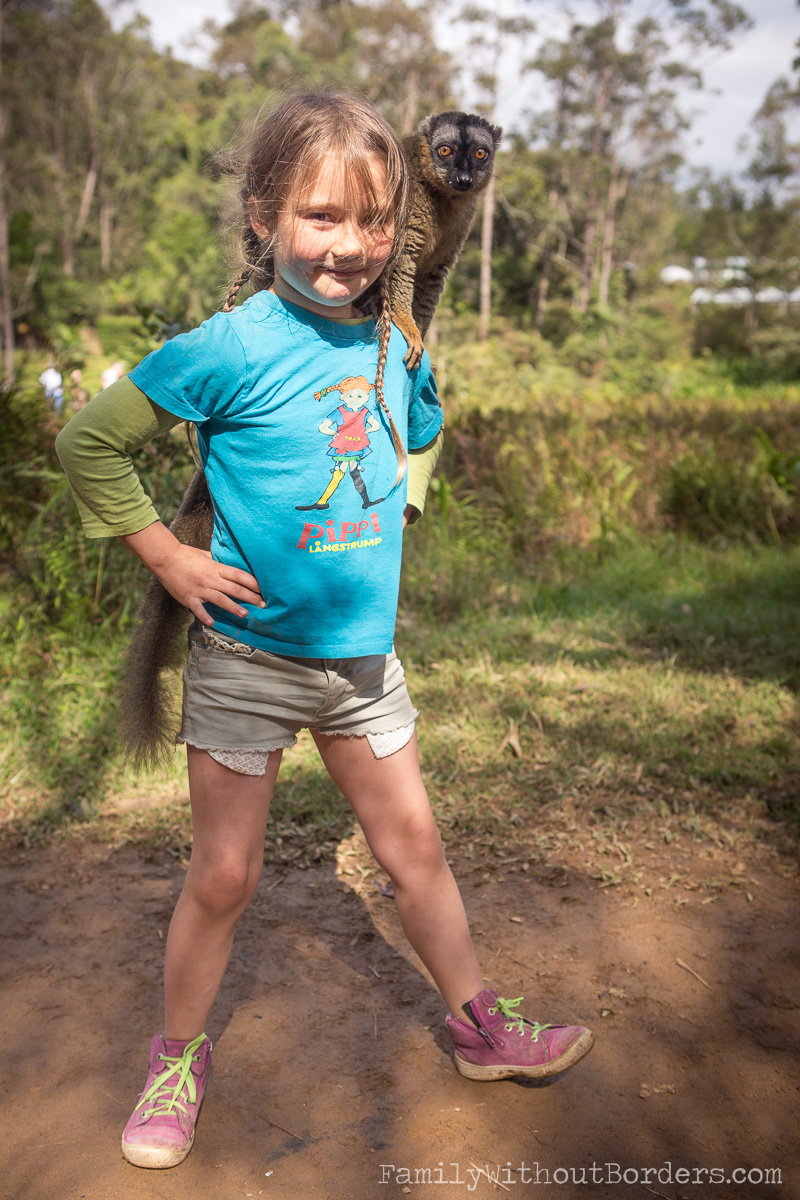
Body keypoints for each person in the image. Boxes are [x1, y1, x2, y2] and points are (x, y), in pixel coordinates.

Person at [56, 90, 593, 1172]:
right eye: (321, 217)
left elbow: (423, 425)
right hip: (246, 663)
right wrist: (168, 557)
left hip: (361, 668)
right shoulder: (229, 345)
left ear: (399, 226)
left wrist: (410, 495)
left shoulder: (394, 343)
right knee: (224, 877)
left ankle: (479, 1028)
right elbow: (88, 443)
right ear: (263, 218)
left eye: (373, 220)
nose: (349, 245)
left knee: (415, 854)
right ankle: (175, 1061)